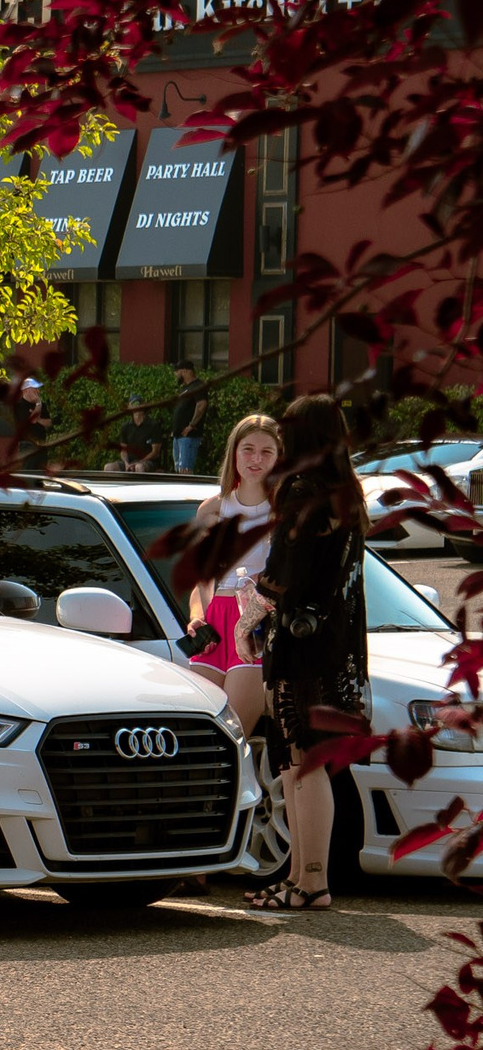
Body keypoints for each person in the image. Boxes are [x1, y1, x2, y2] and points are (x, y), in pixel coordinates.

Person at [246, 394, 369, 912]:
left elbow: (283, 577)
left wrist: (252, 601)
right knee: (301, 764)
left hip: (301, 649)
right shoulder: (348, 495)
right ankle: (300, 878)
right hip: (336, 649)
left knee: (302, 764)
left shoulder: (302, 491)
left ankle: (310, 881)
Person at [183, 413, 278, 738]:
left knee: (232, 736)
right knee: (200, 736)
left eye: (267, 452)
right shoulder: (210, 510)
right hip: (213, 629)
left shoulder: (282, 513)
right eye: (248, 449)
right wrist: (197, 618)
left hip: (255, 626)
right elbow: (202, 581)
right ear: (234, 453)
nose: (256, 459)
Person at [170, 361, 206, 473]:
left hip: (189, 436)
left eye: (177, 372)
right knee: (178, 469)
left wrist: (191, 425)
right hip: (178, 435)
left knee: (185, 469)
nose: (176, 375)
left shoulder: (198, 386)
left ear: (185, 371)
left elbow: (201, 405)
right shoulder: (185, 388)